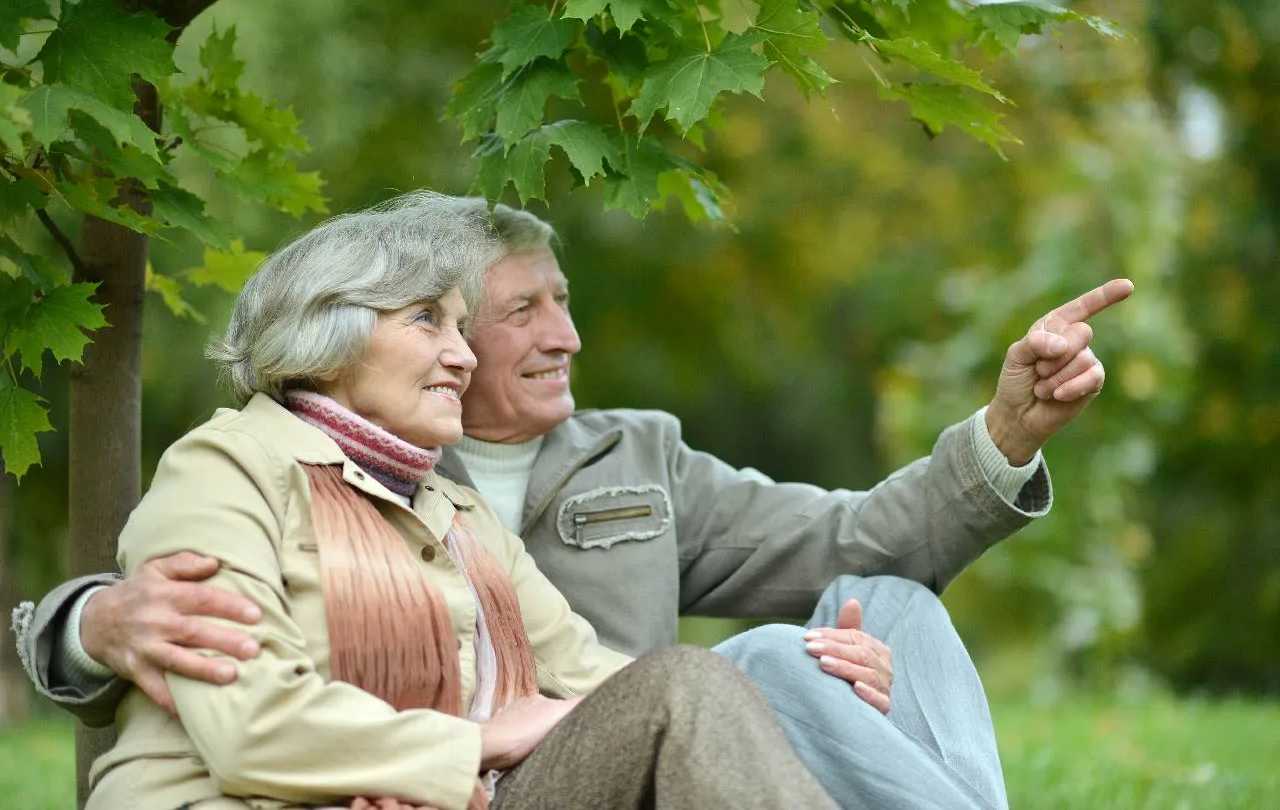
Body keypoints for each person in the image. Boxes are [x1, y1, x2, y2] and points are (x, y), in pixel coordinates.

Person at [13, 197, 1133, 808]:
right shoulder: (246, 467)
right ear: (333, 332)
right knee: (717, 681)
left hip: (576, 769)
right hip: (445, 782)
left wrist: (1006, 437)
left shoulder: (534, 483)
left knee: (864, 617)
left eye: (557, 303)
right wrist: (82, 619)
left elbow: (835, 549)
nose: (563, 336)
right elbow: (230, 696)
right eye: (455, 323)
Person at [57, 191, 836, 809]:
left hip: (450, 796)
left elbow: (599, 674)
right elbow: (249, 726)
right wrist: (473, 742)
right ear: (331, 334)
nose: (463, 357)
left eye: (463, 327)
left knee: (685, 687)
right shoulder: (225, 467)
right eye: (428, 320)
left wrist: (800, 681)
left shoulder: (451, 508)